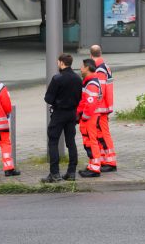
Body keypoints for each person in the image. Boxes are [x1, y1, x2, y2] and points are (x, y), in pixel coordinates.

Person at [42, 53, 82, 182]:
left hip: (59, 114)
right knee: (71, 142)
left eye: (58, 62)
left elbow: (48, 98)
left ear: (61, 63)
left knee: (53, 141)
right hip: (72, 114)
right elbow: (80, 97)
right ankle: (71, 172)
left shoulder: (57, 78)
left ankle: (54, 173)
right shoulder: (77, 78)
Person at [89, 45, 118, 171]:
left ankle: (111, 162)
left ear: (91, 55)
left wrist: (94, 106)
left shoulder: (99, 69)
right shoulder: (104, 66)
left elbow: (99, 90)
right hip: (103, 107)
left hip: (100, 108)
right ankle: (104, 159)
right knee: (100, 134)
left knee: (103, 134)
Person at [77, 59, 106, 178]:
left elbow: (90, 103)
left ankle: (95, 169)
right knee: (89, 141)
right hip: (89, 117)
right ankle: (92, 165)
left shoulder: (92, 83)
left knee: (92, 141)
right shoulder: (89, 81)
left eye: (82, 67)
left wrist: (83, 116)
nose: (80, 69)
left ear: (87, 68)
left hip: (90, 117)